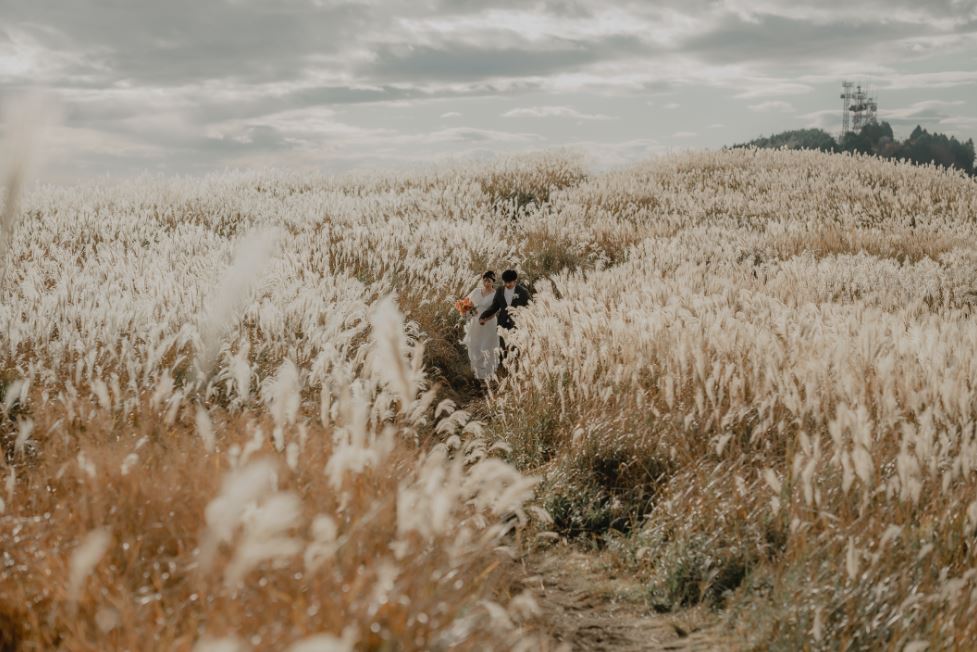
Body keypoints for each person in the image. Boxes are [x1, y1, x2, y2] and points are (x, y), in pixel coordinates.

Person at [479, 269, 530, 354]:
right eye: (505, 282)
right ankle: (502, 366)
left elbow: (529, 308)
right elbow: (494, 306)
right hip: (502, 324)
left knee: (515, 350)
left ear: (515, 281)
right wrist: (483, 316)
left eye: (509, 282)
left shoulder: (523, 292)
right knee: (502, 349)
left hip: (516, 325)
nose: (507, 284)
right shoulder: (500, 290)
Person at [464, 271, 501, 381]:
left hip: (488, 323)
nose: (486, 281)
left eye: (489, 280)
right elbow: (467, 303)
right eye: (485, 279)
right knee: (475, 345)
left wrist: (485, 319)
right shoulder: (476, 291)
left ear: (493, 281)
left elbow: (495, 311)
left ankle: (488, 375)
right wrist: (464, 311)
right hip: (475, 322)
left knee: (487, 346)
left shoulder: (496, 294)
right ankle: (478, 374)